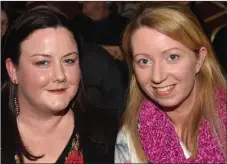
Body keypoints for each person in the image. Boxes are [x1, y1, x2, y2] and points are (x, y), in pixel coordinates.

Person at [1, 6, 118, 164]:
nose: (60, 75)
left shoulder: (106, 133)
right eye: (43, 62)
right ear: (13, 70)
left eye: (69, 61)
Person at [115, 2, 226, 163]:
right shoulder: (130, 139)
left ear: (199, 59)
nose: (157, 77)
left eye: (172, 57)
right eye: (144, 61)